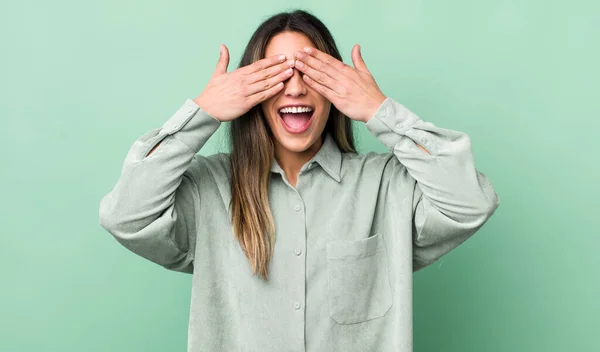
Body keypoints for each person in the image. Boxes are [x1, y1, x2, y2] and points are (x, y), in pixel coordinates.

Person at [99, 9, 499, 352]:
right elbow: (126, 216)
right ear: (252, 90)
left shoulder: (387, 185)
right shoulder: (209, 189)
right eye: (278, 73)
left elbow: (470, 201)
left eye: (311, 72)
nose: (295, 86)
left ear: (336, 88)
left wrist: (379, 110)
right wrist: (202, 114)